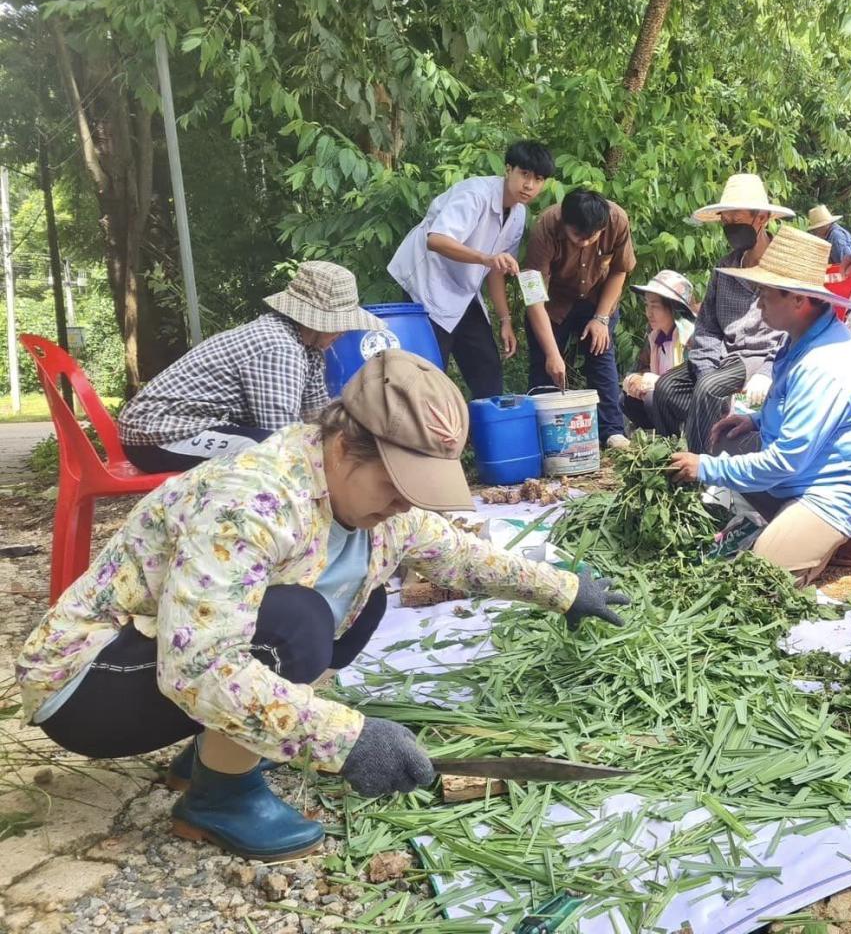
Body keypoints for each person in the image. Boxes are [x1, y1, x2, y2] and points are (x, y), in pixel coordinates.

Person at [17, 350, 630, 861]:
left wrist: (567, 590)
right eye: (394, 485)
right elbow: (198, 667)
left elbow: (454, 555)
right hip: (87, 687)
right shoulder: (254, 500)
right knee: (295, 624)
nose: (401, 504)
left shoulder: (371, 508)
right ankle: (220, 795)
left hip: (158, 661)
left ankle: (210, 755)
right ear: (342, 446)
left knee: (362, 605)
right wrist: (346, 737)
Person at [668, 227, 851, 585]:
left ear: (798, 301)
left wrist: (706, 468)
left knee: (762, 577)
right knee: (727, 439)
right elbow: (792, 408)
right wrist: (756, 421)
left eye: (765, 295)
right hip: (806, 469)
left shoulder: (825, 364)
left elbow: (787, 461)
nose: (758, 305)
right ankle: (797, 526)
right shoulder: (798, 340)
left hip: (837, 485)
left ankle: (836, 533)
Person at [118, 261, 385, 474]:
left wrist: (355, 437)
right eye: (340, 322)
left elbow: (317, 418)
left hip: (199, 425)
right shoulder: (278, 346)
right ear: (316, 320)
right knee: (271, 450)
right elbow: (283, 432)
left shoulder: (310, 350)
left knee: (305, 445)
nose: (344, 330)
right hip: (155, 435)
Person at [387, 140, 555, 399]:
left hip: (464, 290)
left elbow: (497, 269)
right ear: (508, 169)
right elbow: (437, 240)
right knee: (429, 371)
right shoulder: (474, 194)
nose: (529, 185)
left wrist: (505, 320)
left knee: (487, 368)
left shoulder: (519, 214)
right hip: (428, 284)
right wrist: (486, 259)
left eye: (538, 179)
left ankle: (486, 433)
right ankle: (424, 437)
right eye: (524, 174)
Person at [652, 174, 793, 453]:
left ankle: (700, 471)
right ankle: (669, 456)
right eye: (725, 222)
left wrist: (766, 372)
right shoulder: (724, 268)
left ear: (761, 218)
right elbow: (706, 326)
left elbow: (791, 332)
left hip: (756, 357)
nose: (730, 228)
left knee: (708, 389)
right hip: (721, 357)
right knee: (666, 389)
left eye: (736, 220)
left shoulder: (784, 267)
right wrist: (706, 367)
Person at [523, 188, 637, 449]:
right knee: (544, 366)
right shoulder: (546, 226)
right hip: (552, 303)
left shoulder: (616, 219)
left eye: (592, 237)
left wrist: (601, 319)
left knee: (602, 356)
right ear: (565, 223)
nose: (584, 243)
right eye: (577, 236)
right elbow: (533, 294)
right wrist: (553, 353)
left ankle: (612, 432)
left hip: (598, 298)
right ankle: (545, 438)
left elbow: (620, 270)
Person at [621, 270, 697, 431]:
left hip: (689, 406)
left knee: (651, 398)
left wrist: (652, 382)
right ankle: (655, 435)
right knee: (626, 399)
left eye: (655, 306)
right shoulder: (655, 337)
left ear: (673, 309)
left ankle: (675, 437)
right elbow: (638, 369)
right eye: (647, 305)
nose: (648, 313)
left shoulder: (691, 339)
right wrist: (635, 380)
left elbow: (694, 383)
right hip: (663, 399)